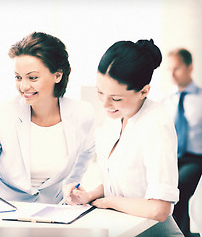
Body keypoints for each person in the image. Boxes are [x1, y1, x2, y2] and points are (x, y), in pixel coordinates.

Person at [0, 32, 95, 205]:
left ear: (58, 75)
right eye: (18, 77)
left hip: (52, 212)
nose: (24, 86)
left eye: (33, 77)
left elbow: (79, 166)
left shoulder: (82, 114)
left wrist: (72, 190)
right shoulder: (0, 113)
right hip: (2, 208)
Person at [64, 39, 183, 236]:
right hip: (123, 228)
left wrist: (109, 202)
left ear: (144, 91)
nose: (104, 103)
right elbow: (124, 182)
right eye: (100, 92)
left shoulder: (156, 123)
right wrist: (88, 196)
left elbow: (159, 209)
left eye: (116, 98)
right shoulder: (116, 117)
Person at [161, 48, 202, 237]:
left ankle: (180, 233)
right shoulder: (165, 100)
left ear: (189, 67)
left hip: (195, 158)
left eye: (176, 68)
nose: (172, 74)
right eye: (169, 69)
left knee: (180, 187)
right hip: (171, 157)